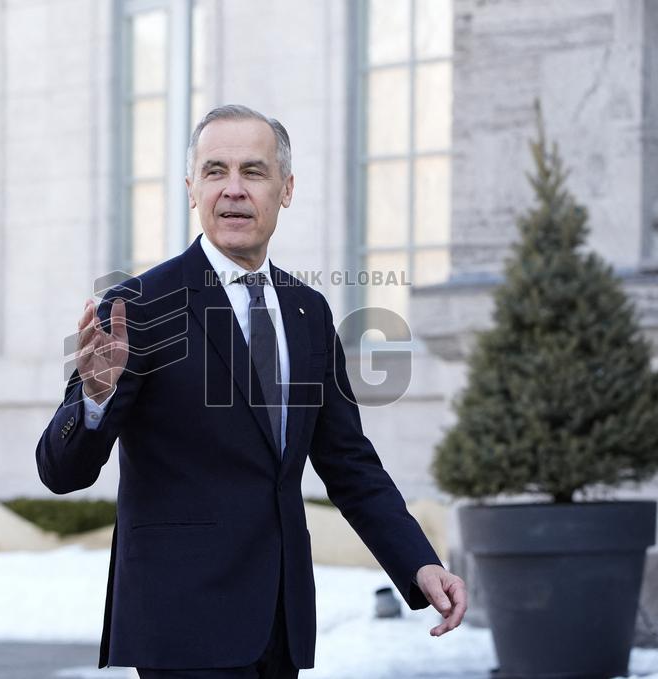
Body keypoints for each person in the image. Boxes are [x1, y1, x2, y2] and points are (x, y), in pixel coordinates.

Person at [35, 104, 467, 678]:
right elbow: (61, 472)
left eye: (253, 172)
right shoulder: (137, 308)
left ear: (286, 190)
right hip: (181, 622)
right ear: (191, 188)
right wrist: (93, 398)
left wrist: (418, 563)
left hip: (280, 621)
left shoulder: (309, 311)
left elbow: (348, 462)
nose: (233, 190)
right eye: (216, 171)